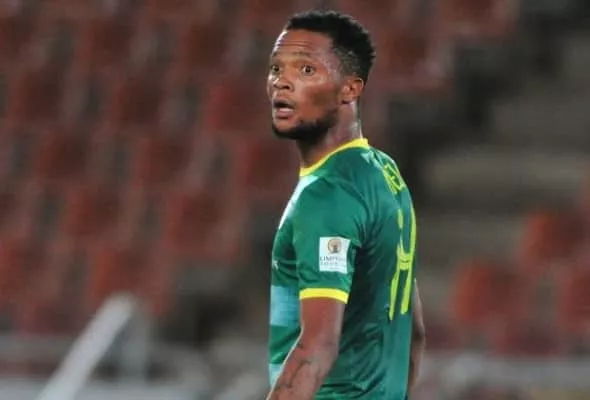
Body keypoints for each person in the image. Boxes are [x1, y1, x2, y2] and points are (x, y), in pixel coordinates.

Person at [266, 10, 426, 400]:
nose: (282, 82)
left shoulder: (328, 195)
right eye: (276, 68)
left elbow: (317, 347)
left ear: (349, 89)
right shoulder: (384, 172)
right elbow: (414, 332)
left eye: (306, 69)